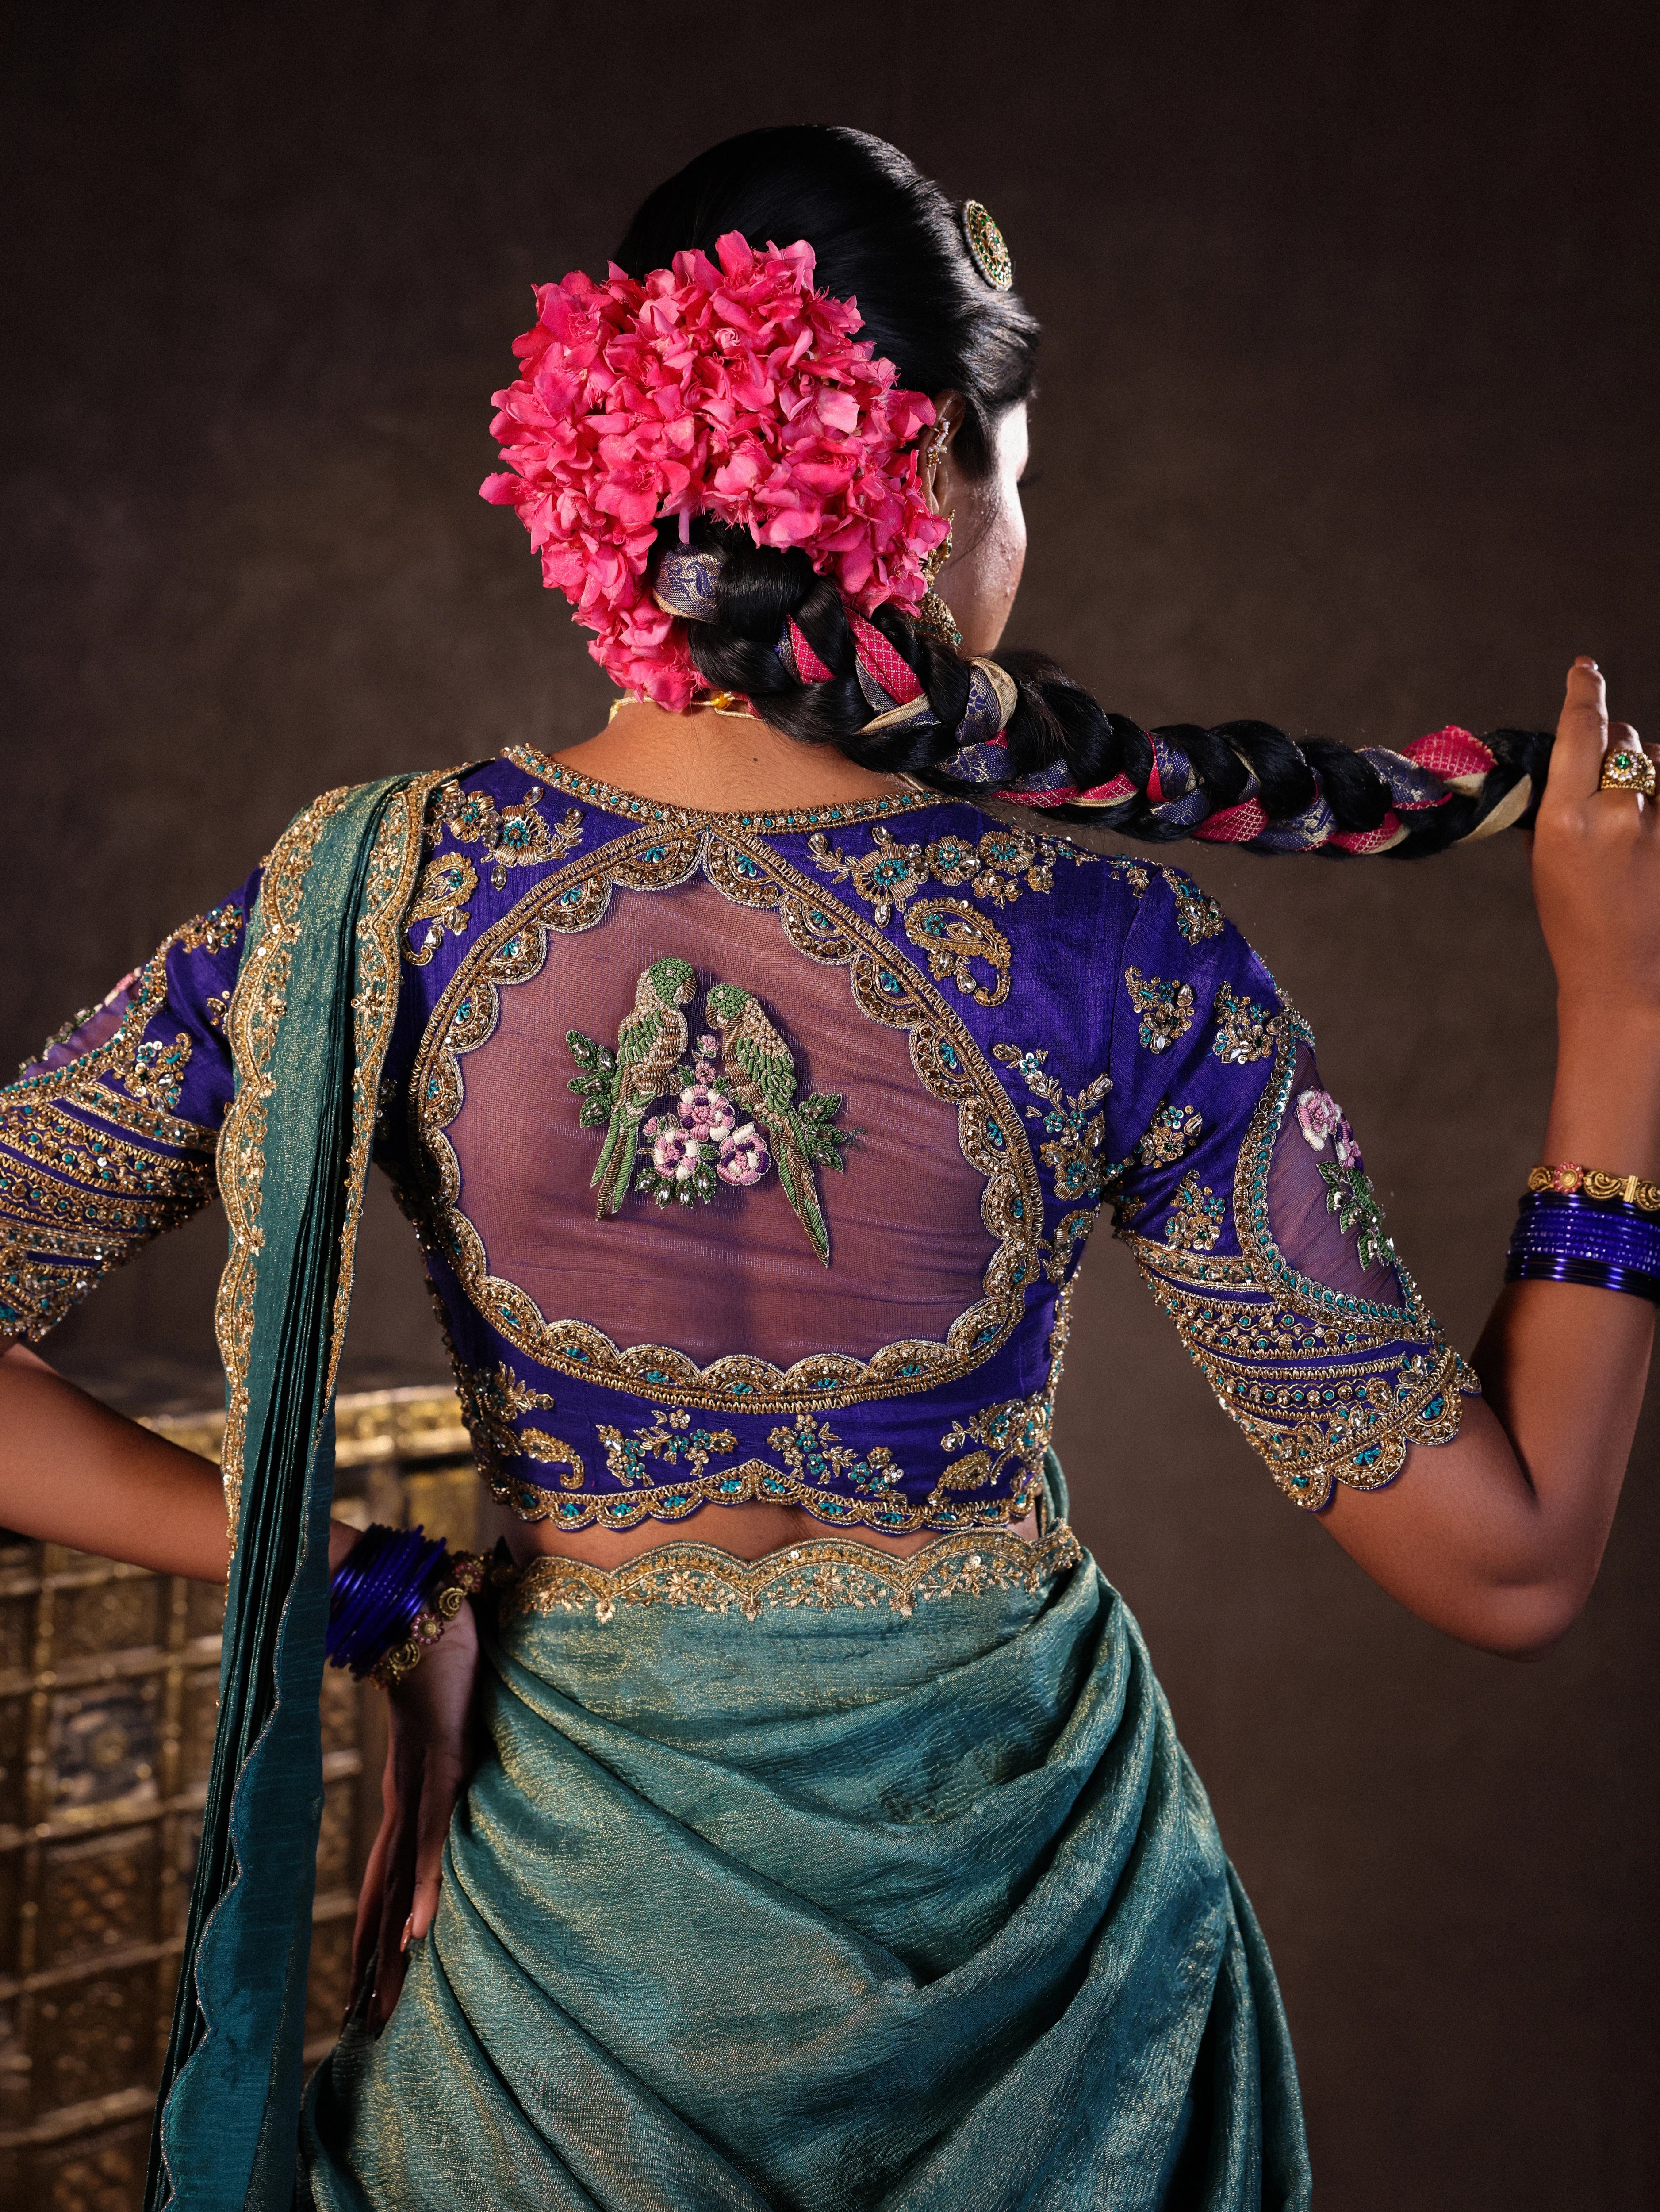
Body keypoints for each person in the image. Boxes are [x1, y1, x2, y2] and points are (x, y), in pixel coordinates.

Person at [0, 124, 1654, 2212]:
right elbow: (1510, 1557)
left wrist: (367, 1579)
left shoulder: (381, 902)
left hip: (558, 2008)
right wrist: (1631, 1012)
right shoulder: (1109, 952)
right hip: (1060, 2003)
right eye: (1020, 475)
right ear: (940, 468)